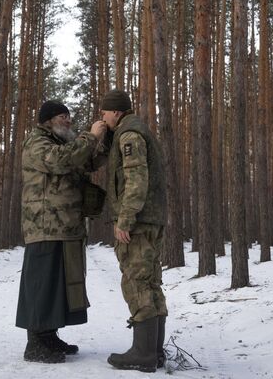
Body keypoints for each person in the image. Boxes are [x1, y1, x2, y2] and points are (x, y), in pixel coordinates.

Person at [15, 100, 108, 364]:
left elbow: (85, 161)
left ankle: (49, 336)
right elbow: (62, 160)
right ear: (47, 120)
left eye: (68, 116)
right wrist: (91, 135)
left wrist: (104, 140)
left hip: (65, 225)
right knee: (44, 284)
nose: (67, 120)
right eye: (61, 116)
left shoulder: (60, 142)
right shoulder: (38, 142)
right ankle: (35, 343)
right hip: (45, 225)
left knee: (60, 285)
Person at [101, 89, 168, 373]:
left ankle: (143, 354)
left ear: (116, 112)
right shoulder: (131, 131)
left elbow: (136, 180)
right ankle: (153, 351)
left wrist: (125, 219)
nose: (102, 118)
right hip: (150, 219)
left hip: (138, 223)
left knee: (137, 282)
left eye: (104, 113)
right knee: (150, 283)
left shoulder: (129, 135)